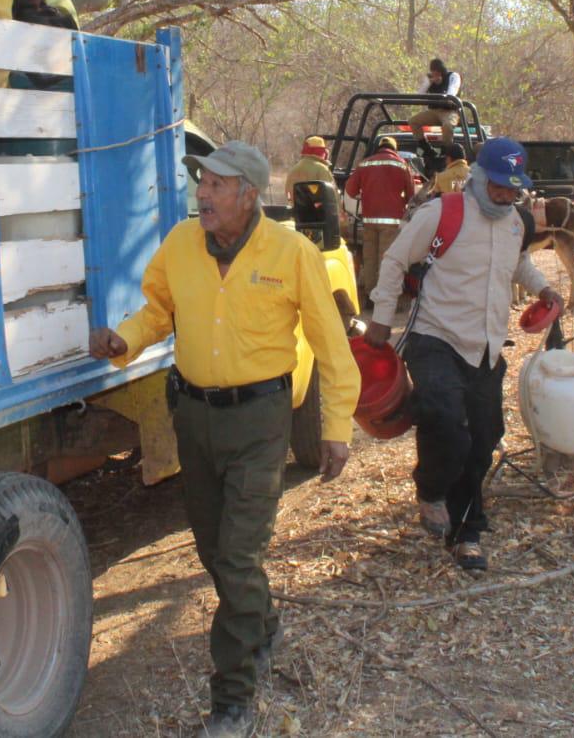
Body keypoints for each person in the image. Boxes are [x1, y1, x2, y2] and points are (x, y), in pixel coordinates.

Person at [89, 141, 358, 738]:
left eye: (215, 184)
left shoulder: (292, 253)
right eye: (201, 183)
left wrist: (336, 429)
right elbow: (157, 310)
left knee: (238, 556)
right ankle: (260, 621)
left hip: (260, 420)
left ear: (247, 193)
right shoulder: (182, 244)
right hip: (194, 416)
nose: (202, 194)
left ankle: (232, 699)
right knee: (214, 552)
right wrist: (125, 341)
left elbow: (333, 348)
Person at [365, 137, 562, 572]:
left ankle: (465, 534)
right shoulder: (443, 212)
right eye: (497, 186)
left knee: (483, 441)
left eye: (513, 188)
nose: (505, 195)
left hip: (487, 346)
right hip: (436, 337)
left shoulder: (516, 224)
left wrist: (543, 288)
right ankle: (431, 489)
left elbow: (518, 265)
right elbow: (396, 258)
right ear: (477, 176)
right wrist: (381, 316)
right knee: (445, 419)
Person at [344, 135, 418, 312]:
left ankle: (370, 296)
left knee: (369, 259)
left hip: (369, 220)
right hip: (391, 222)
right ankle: (385, 298)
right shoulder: (401, 164)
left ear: (378, 148)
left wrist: (365, 195)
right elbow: (411, 195)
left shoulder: (365, 164)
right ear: (394, 149)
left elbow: (350, 190)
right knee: (387, 260)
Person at [408, 57, 462, 157]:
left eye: (438, 72)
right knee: (413, 121)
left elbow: (452, 92)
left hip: (449, 111)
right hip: (433, 111)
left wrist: (442, 88)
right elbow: (419, 95)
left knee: (447, 125)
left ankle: (446, 152)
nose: (435, 74)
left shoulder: (453, 76)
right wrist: (429, 83)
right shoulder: (429, 79)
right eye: (433, 72)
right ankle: (427, 149)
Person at [284, 135, 333, 202]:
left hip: (296, 211)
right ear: (323, 152)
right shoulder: (323, 169)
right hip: (317, 212)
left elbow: (288, 195)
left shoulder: (294, 169)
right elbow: (330, 196)